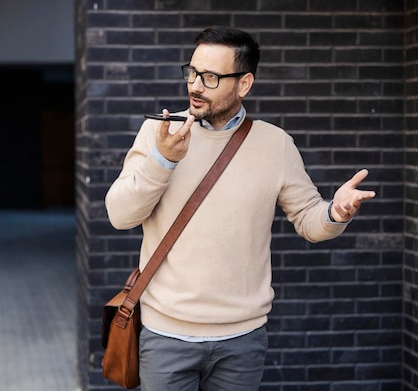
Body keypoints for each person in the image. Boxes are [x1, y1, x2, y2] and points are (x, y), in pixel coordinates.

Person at [104, 26, 376, 391]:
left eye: (211, 77)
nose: (195, 85)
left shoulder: (274, 144)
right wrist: (163, 162)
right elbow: (120, 216)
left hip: (242, 340)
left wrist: (335, 213)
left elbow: (309, 218)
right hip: (166, 334)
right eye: (193, 72)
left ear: (244, 83)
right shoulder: (160, 134)